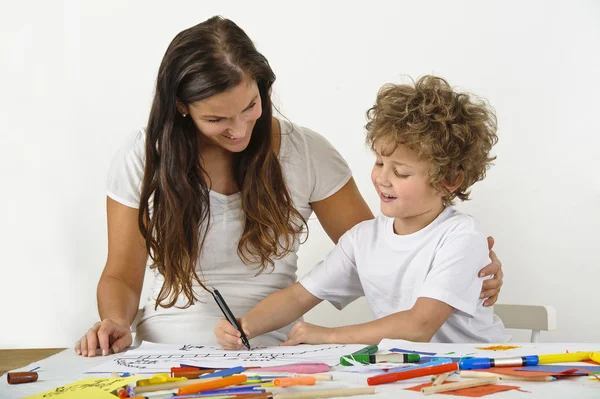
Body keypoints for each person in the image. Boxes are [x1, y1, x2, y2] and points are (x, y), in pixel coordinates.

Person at [74, 17, 503, 357]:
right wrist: (116, 320)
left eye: (250, 107)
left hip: (278, 353)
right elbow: (120, 274)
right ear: (182, 108)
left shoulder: (307, 153)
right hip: (165, 350)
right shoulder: (142, 156)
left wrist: (466, 268)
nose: (240, 129)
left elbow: (385, 258)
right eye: (217, 119)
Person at [215, 75, 506, 349]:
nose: (382, 178)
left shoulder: (460, 237)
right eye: (379, 163)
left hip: (478, 368)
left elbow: (420, 325)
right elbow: (298, 296)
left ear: (449, 181)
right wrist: (244, 327)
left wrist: (327, 335)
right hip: (413, 373)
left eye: (401, 173)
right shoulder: (363, 239)